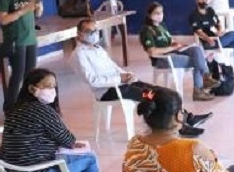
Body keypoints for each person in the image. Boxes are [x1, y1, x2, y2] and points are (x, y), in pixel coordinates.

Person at [0, 68, 111, 172]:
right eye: (47, 86)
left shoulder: (15, 110)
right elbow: (68, 140)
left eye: (54, 87)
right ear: (33, 88)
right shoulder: (42, 111)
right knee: (89, 159)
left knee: (72, 156)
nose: (52, 91)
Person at [72, 18, 211, 137]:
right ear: (79, 34)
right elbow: (92, 80)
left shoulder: (98, 49)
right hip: (110, 91)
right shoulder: (79, 55)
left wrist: (126, 74)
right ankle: (179, 127)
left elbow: (113, 67)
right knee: (153, 96)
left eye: (95, 30)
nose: (94, 34)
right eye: (89, 32)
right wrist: (120, 79)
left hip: (123, 84)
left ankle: (187, 117)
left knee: (164, 92)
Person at [139, 2, 220, 101]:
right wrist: (172, 48)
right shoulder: (146, 31)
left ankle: (206, 77)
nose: (160, 15)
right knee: (198, 60)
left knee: (196, 49)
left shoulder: (162, 26)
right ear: (149, 15)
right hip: (162, 59)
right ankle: (200, 87)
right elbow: (152, 52)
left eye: (161, 12)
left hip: (173, 53)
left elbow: (170, 40)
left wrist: (177, 45)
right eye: (157, 13)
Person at [0, 0, 43, 112]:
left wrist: (38, 0)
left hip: (30, 39)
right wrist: (22, 11)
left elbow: (38, 14)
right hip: (16, 40)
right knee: (18, 75)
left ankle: (27, 105)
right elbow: (3, 20)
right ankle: (10, 109)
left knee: (30, 74)